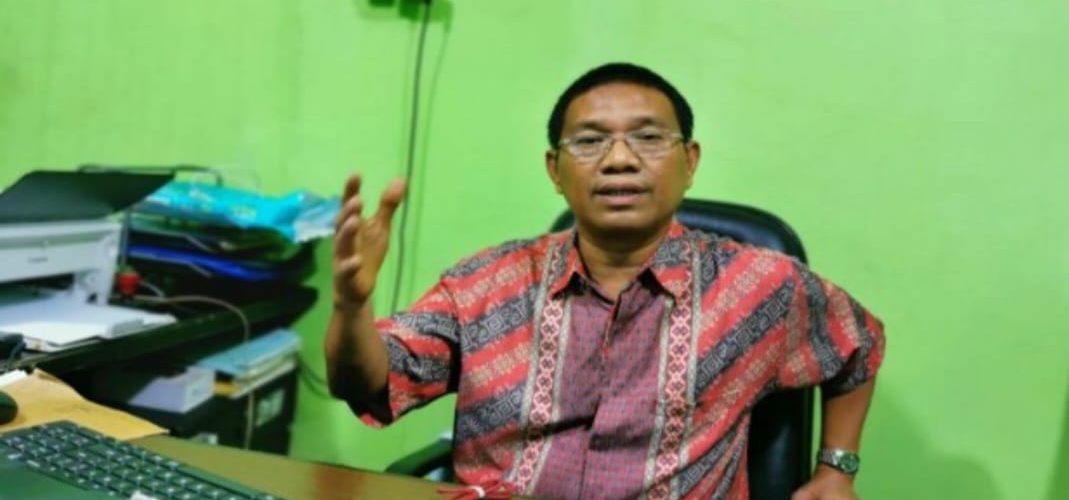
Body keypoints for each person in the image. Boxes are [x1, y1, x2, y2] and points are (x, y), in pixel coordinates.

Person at [325, 62, 885, 500]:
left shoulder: (758, 288)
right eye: (590, 141)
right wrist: (351, 309)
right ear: (555, 170)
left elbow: (859, 344)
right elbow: (369, 380)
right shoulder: (487, 283)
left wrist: (837, 469)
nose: (619, 159)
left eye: (648, 138)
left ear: (689, 162)